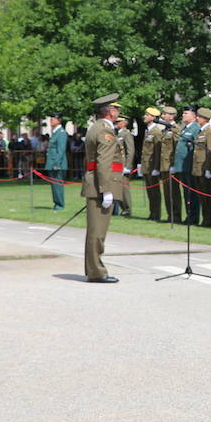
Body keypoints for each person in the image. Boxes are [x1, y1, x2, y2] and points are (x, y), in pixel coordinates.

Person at [81, 95, 125, 283]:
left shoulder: (96, 127)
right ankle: (97, 271)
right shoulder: (104, 130)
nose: (118, 112)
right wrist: (105, 189)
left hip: (96, 183)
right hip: (101, 185)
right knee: (98, 232)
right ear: (110, 111)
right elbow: (104, 162)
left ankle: (93, 269)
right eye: (116, 109)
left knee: (95, 231)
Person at [171, 107, 200, 225]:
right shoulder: (184, 129)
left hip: (189, 166)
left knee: (192, 193)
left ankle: (193, 217)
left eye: (186, 113)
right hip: (182, 166)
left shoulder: (195, 129)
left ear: (193, 116)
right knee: (186, 193)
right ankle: (189, 215)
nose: (183, 115)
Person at [193, 107, 211, 227]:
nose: (197, 118)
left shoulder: (209, 131)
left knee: (208, 197)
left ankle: (210, 220)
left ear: (205, 118)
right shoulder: (200, 131)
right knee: (202, 196)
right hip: (198, 169)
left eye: (199, 117)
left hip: (205, 169)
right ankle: (205, 219)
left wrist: (209, 168)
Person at [140, 107, 164, 221]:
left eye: (147, 114)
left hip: (152, 166)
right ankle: (152, 213)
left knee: (155, 192)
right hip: (146, 166)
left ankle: (156, 214)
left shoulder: (156, 132)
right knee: (150, 191)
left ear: (153, 117)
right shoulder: (148, 130)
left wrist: (156, 167)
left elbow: (158, 151)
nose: (145, 116)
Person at [45, 113, 68, 210]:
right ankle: (57, 203)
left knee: (57, 185)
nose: (51, 120)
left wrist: (56, 164)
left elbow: (61, 150)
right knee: (54, 185)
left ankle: (59, 204)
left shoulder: (61, 133)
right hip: (52, 162)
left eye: (53, 119)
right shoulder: (55, 132)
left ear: (59, 120)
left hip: (57, 164)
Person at [113, 116, 134, 217]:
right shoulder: (117, 134)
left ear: (124, 123)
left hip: (123, 164)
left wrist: (128, 166)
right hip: (116, 164)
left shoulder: (126, 134)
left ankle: (127, 209)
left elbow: (130, 151)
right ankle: (119, 208)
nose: (116, 123)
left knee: (124, 189)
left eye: (118, 121)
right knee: (116, 187)